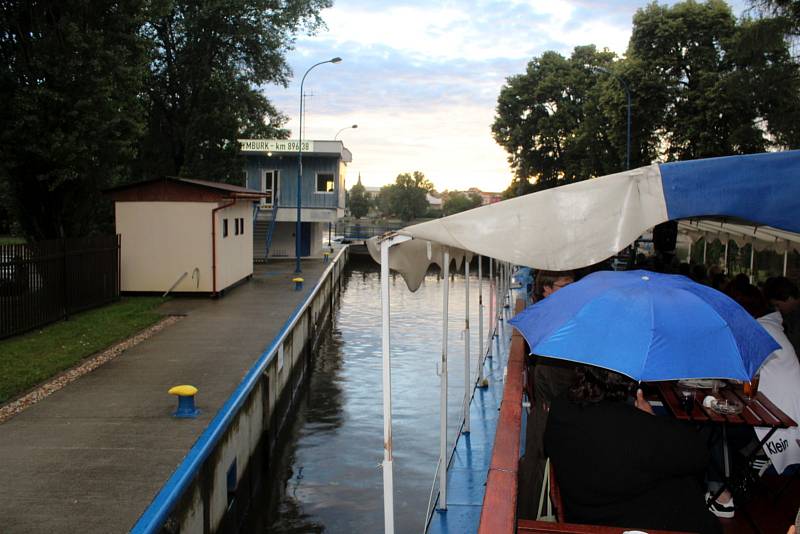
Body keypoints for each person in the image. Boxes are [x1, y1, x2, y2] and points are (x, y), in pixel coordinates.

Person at [544, 365, 721, 533]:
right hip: (640, 525)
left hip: (581, 519)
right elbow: (699, 454)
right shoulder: (637, 429)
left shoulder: (561, 407)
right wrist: (650, 419)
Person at [517, 269, 576, 519]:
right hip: (549, 413)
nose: (571, 292)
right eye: (564, 287)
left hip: (547, 409)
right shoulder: (549, 322)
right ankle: (536, 514)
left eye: (573, 286)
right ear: (546, 289)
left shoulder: (559, 317)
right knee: (539, 463)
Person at [763, 276, 800, 357]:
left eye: (778, 305)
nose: (777, 309)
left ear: (789, 298)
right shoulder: (790, 314)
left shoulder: (794, 317)